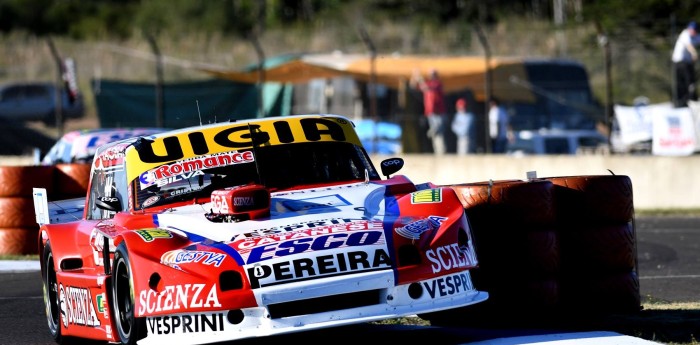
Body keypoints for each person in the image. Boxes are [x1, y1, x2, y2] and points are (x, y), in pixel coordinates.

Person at [411, 68, 446, 154]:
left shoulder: (438, 84)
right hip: (430, 112)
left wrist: (420, 79)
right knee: (435, 134)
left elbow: (426, 88)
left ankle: (441, 151)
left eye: (433, 75)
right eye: (431, 75)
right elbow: (413, 86)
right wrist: (415, 77)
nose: (432, 76)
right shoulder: (428, 83)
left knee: (438, 132)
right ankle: (438, 152)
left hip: (438, 112)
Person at [672, 21, 700, 107]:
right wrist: (694, 53)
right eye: (691, 30)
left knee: (691, 81)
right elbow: (689, 46)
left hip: (688, 62)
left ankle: (691, 99)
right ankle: (682, 102)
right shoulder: (685, 34)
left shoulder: (695, 36)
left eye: (694, 30)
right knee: (682, 82)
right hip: (679, 62)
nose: (693, 32)